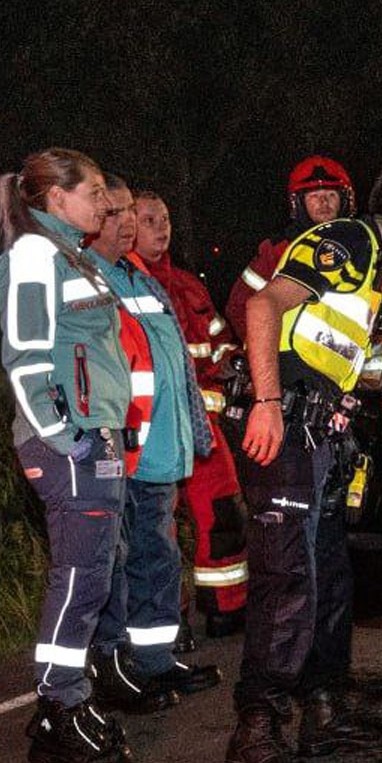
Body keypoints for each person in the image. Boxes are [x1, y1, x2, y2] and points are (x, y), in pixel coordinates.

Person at [222, 163, 382, 763]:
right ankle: (255, 732)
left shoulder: (376, 271)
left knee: (328, 577)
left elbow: (325, 341)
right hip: (283, 429)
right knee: (288, 583)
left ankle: (323, 711)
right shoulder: (352, 241)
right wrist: (269, 402)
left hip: (318, 433)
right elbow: (261, 305)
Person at [0, 149, 135, 763]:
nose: (105, 202)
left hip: (93, 435)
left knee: (93, 574)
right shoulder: (32, 254)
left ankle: (63, 705)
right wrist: (63, 433)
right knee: (79, 579)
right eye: (96, 190)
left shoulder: (73, 256)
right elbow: (24, 354)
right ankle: (58, 705)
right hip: (70, 441)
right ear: (56, 198)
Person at [84, 175, 221, 709]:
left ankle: (155, 662)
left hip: (160, 448)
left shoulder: (139, 279)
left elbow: (172, 367)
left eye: (127, 214)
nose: (122, 224)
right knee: (119, 561)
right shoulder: (93, 279)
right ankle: (116, 667)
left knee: (157, 556)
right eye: (113, 213)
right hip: (123, 450)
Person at [132, 190, 249, 637]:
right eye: (148, 220)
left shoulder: (188, 283)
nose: (161, 228)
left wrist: (233, 361)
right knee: (156, 528)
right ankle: (165, 620)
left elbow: (218, 341)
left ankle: (226, 607)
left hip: (205, 431)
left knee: (222, 516)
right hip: (154, 429)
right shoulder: (127, 283)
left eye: (164, 218)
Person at [224, 156, 354, 343]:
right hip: (294, 362)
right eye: (315, 196)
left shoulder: (359, 243)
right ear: (299, 203)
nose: (324, 203)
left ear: (344, 200)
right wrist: (266, 352)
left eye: (331, 195)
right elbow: (239, 307)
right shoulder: (278, 251)